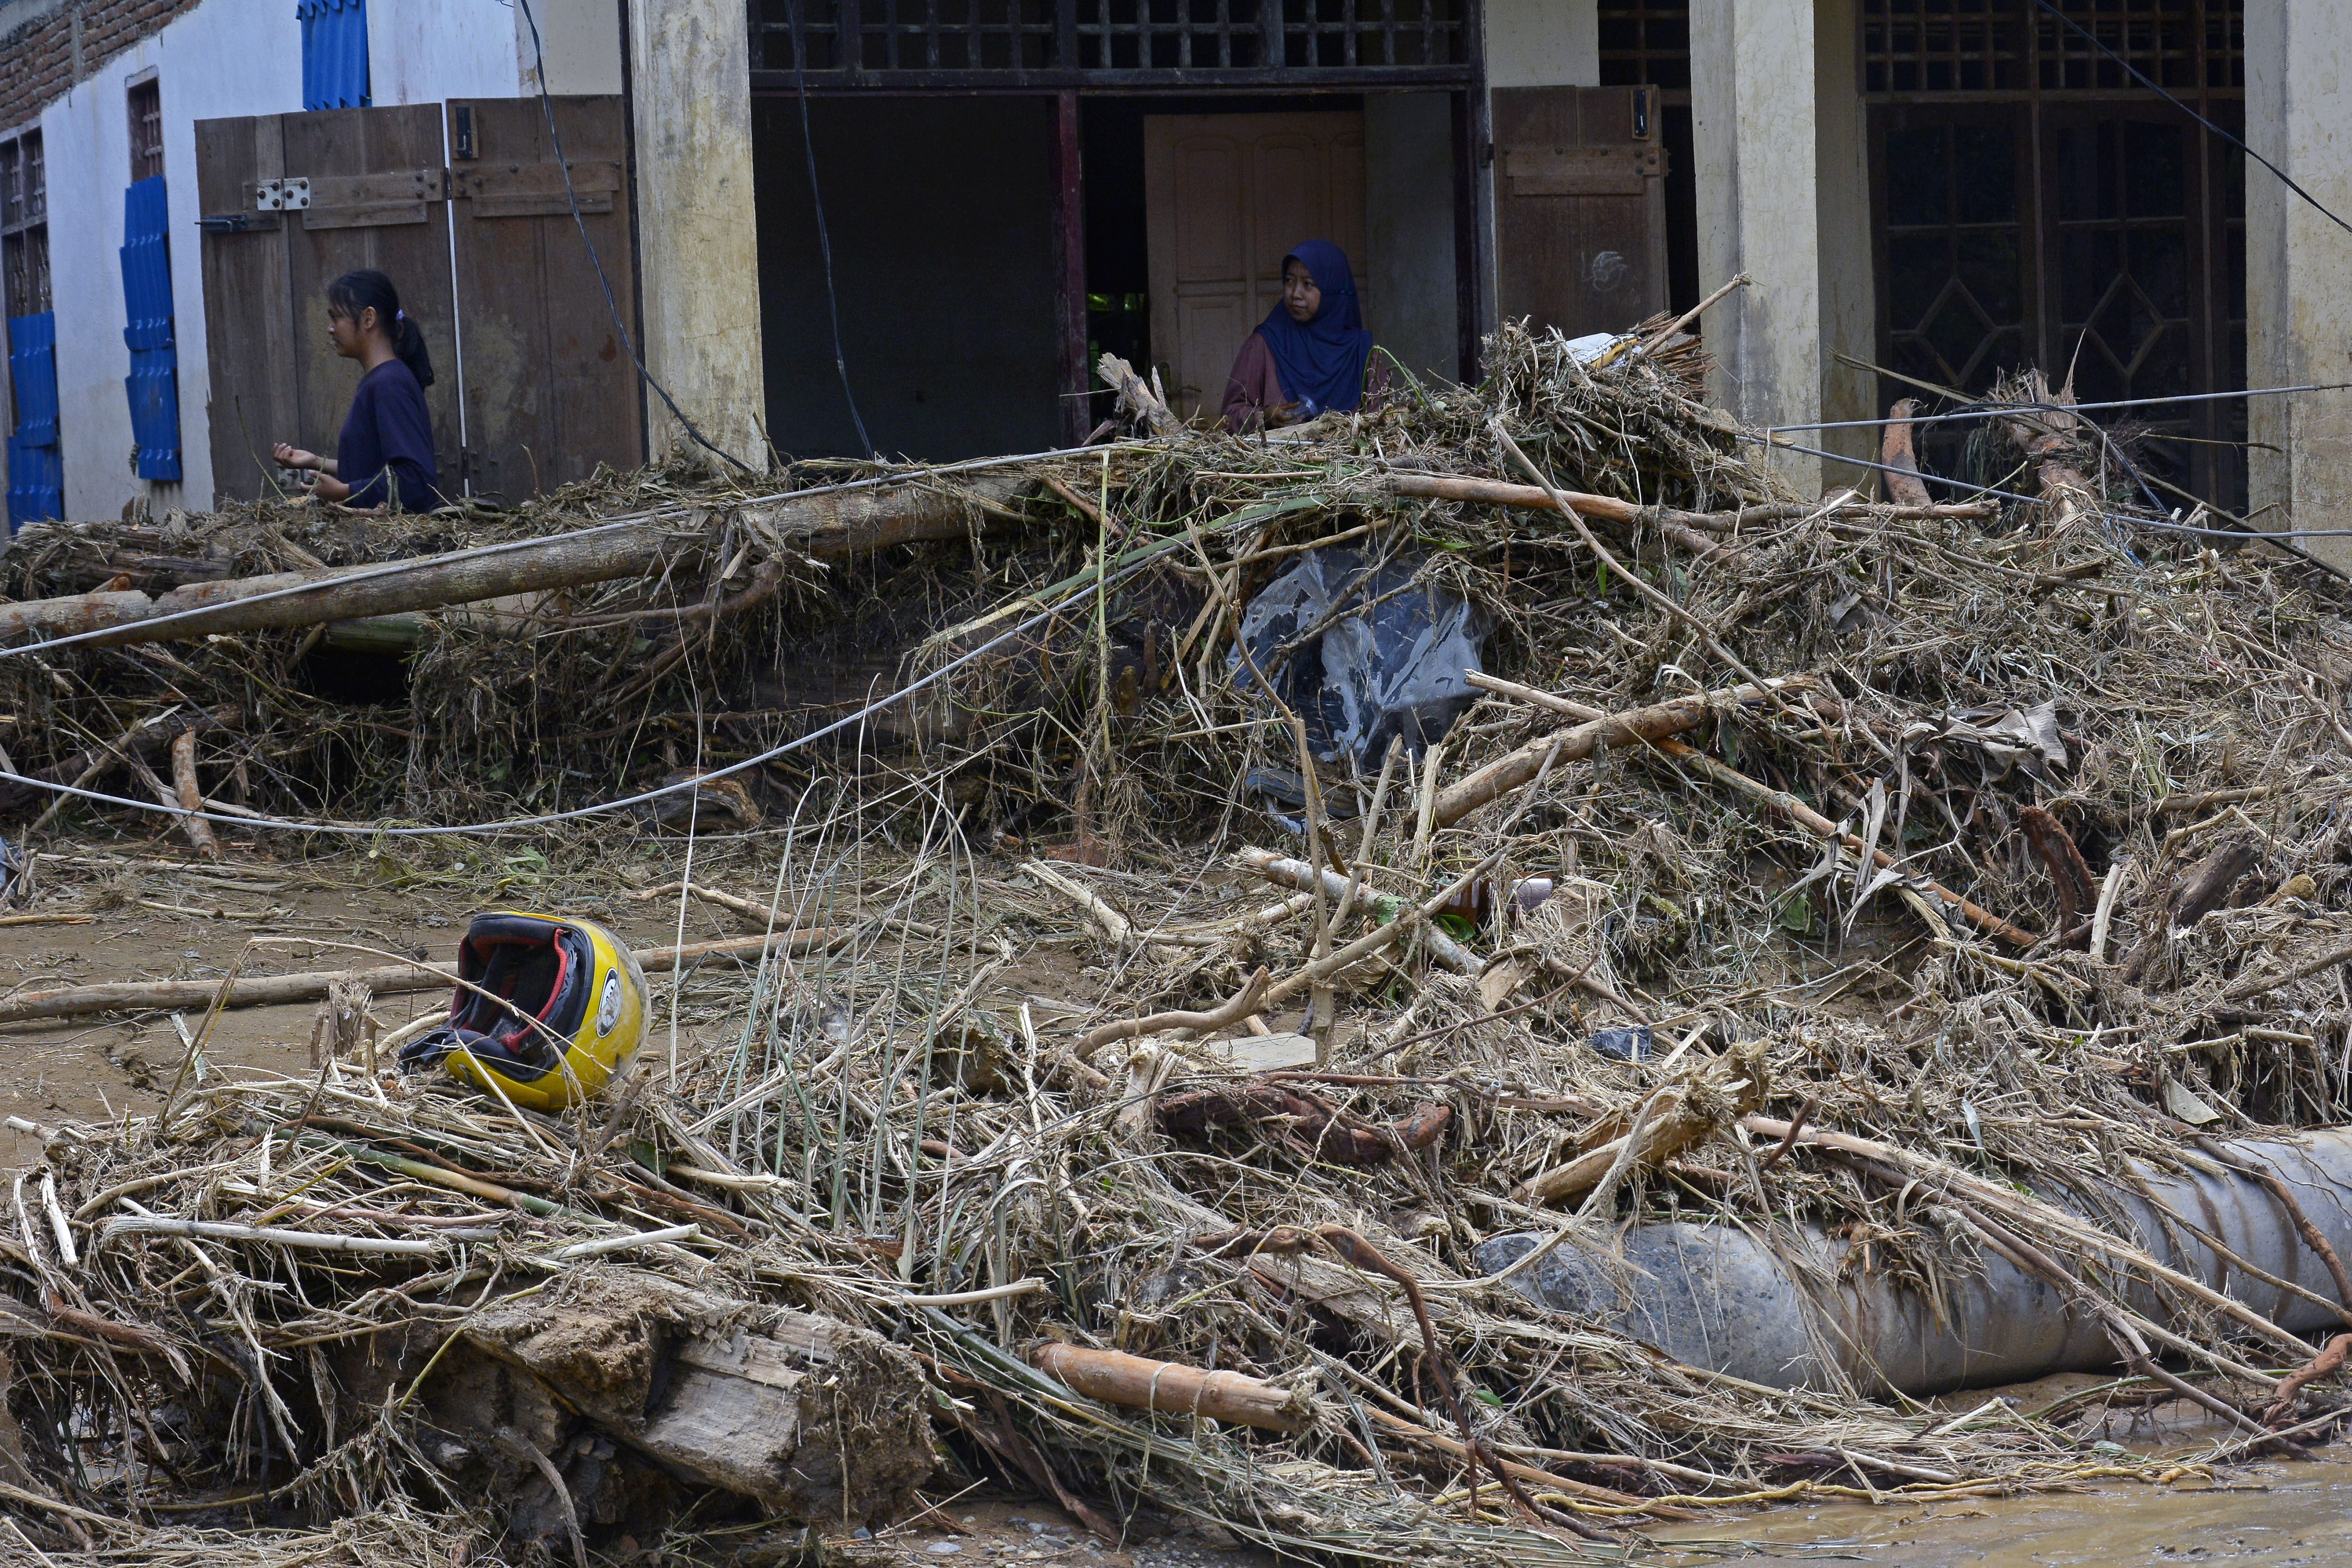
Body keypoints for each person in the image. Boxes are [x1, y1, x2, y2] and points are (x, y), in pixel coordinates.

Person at [271, 270, 441, 511]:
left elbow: (415, 481)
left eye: (336, 317)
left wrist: (344, 492)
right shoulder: (380, 380)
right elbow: (374, 470)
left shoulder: (389, 383)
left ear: (368, 319)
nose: (330, 329)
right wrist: (316, 462)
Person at [1220, 239, 1385, 434]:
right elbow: (1228, 418)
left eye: (1308, 284)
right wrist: (1265, 418)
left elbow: (1380, 422)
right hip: (1277, 462)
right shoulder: (1265, 345)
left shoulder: (1365, 352)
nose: (1295, 294)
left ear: (1333, 291)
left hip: (1350, 462)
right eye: (1290, 281)